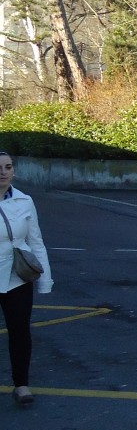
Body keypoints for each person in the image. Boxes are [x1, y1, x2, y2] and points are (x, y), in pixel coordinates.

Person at [0, 151, 53, 406]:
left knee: (20, 332)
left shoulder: (24, 201)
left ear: (13, 171)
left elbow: (36, 242)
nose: (3, 172)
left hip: (17, 278)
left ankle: (21, 384)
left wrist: (45, 280)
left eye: (8, 167)